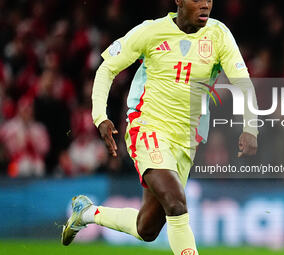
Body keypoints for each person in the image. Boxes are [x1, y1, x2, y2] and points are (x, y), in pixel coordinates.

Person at [62, 0, 258, 254]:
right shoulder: (151, 31)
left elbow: (243, 83)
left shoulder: (219, 35)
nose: (205, 5)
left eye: (209, 0)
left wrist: (250, 128)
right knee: (176, 204)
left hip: (187, 140)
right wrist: (101, 116)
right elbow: (107, 68)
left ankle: (87, 213)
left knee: (148, 228)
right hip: (148, 128)